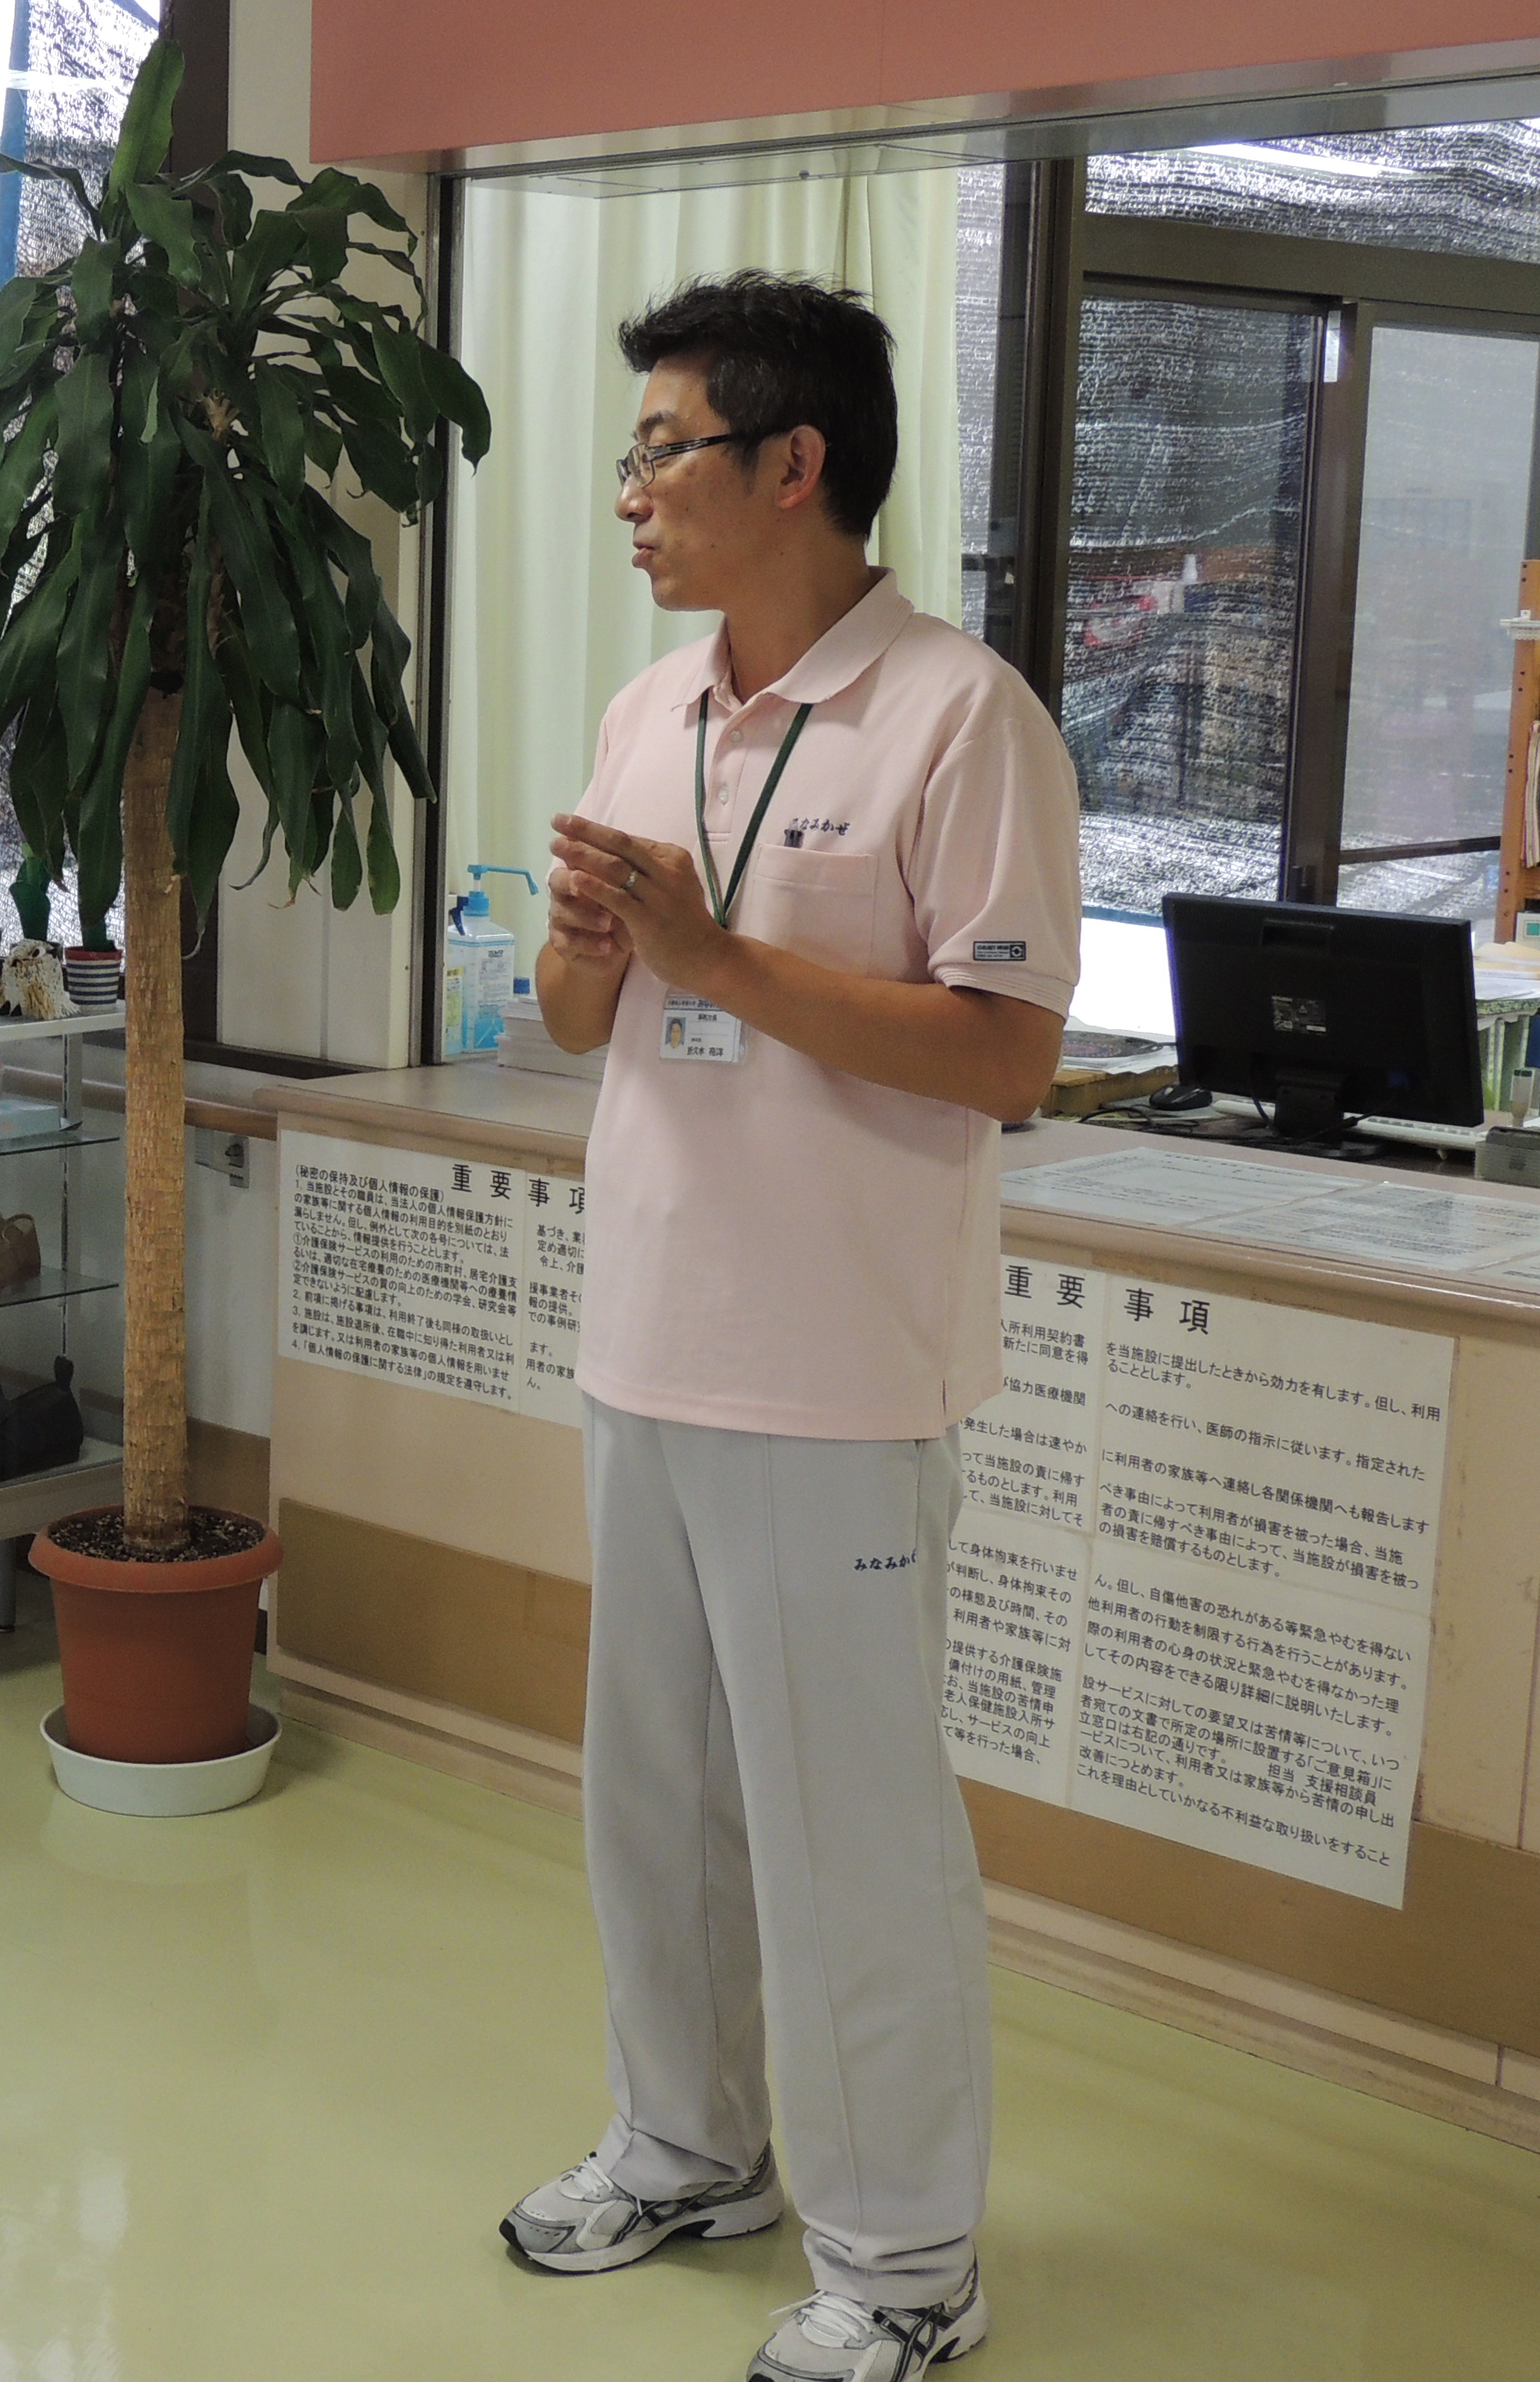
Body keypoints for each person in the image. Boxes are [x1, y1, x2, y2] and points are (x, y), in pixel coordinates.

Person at [500, 274, 1078, 2382]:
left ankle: (907, 2266)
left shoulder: (958, 715)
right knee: (652, 1800)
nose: (632, 492)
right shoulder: (651, 712)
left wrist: (722, 959)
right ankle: (689, 2145)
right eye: (636, 453)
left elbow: (1007, 1056)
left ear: (794, 466)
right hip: (647, 1337)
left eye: (664, 450)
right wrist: (597, 946)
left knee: (851, 1839)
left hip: (837, 1372)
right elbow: (581, 1020)